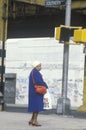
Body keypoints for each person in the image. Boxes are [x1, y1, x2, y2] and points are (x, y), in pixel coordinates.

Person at [28, 61, 48, 126]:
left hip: (34, 92)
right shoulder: (35, 72)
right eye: (40, 66)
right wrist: (45, 85)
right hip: (36, 92)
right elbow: (38, 81)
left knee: (35, 106)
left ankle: (31, 120)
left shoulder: (33, 72)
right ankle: (35, 121)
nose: (40, 67)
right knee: (37, 107)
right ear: (36, 66)